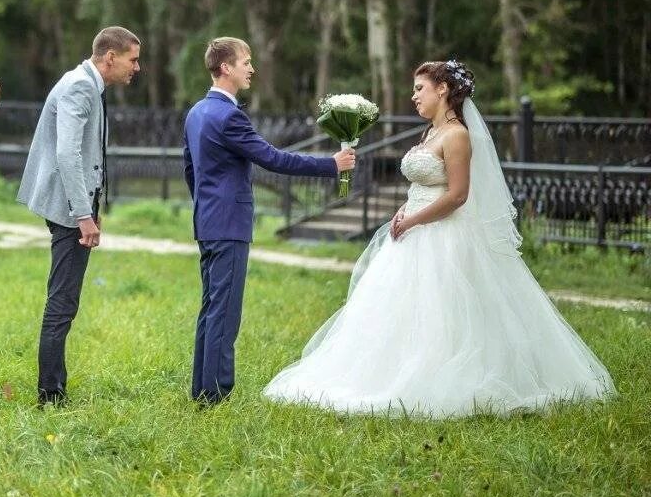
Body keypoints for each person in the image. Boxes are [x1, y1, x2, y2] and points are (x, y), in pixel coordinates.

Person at [263, 60, 615, 417]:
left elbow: (458, 195)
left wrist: (414, 219)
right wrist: (404, 210)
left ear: (442, 89)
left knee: (445, 307)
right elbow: (424, 184)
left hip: (445, 233)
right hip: (413, 229)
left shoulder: (457, 134)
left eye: (420, 89)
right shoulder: (429, 133)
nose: (414, 97)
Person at [183, 37, 354, 406]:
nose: (251, 68)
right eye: (245, 62)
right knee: (225, 311)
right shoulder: (229, 116)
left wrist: (206, 204)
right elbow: (272, 158)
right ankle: (215, 394)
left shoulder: (197, 112)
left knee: (211, 307)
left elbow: (189, 169)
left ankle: (202, 388)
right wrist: (331, 165)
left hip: (207, 221)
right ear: (225, 67)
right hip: (228, 224)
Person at [18, 26, 141, 406]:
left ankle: (52, 388)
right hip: (68, 208)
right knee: (62, 301)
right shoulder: (80, 87)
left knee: (65, 299)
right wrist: (83, 215)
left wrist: (93, 209)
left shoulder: (86, 84)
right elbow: (68, 154)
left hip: (76, 205)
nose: (137, 67)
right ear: (110, 57)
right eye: (133, 59)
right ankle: (50, 394)